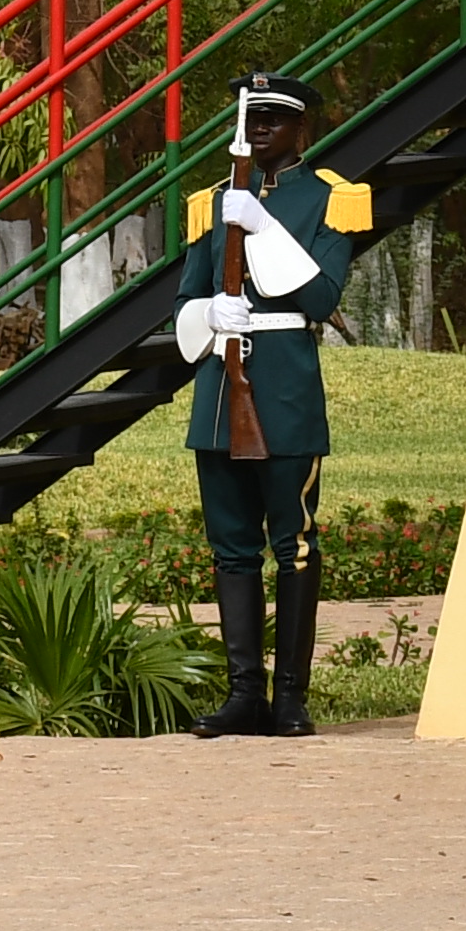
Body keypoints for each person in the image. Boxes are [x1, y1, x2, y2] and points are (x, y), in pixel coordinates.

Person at [175, 72, 375, 737]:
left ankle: (290, 696)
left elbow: (320, 298)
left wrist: (260, 230)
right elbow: (183, 308)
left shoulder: (330, 200)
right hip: (220, 391)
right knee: (232, 549)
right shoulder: (211, 202)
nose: (258, 128)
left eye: (273, 118)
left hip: (285, 390)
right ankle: (244, 696)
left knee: (292, 544)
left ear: (300, 128)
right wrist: (211, 309)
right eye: (250, 117)